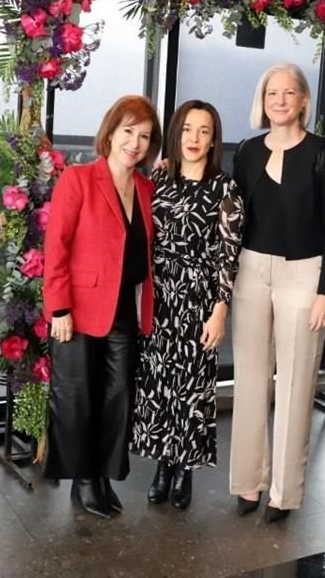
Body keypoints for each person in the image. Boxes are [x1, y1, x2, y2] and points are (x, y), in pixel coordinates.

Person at [229, 62, 325, 523]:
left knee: (296, 384)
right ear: (263, 100)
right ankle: (248, 484)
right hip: (252, 271)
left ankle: (284, 493)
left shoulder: (323, 153)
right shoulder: (246, 152)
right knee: (252, 381)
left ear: (303, 101)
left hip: (305, 274)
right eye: (271, 92)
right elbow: (230, 214)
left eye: (289, 92)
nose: (279, 100)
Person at [42, 95, 162, 519]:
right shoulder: (78, 179)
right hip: (77, 307)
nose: (135, 142)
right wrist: (59, 308)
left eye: (144, 136)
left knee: (118, 395)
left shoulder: (147, 187)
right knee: (78, 397)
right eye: (128, 131)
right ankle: (84, 480)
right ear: (110, 132)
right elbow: (56, 246)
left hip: (124, 307)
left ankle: (105, 474)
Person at [131, 100, 244, 510]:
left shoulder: (224, 187)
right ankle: (163, 464)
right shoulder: (157, 180)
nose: (194, 139)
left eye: (204, 131)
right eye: (188, 129)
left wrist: (220, 309)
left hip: (199, 297)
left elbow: (228, 254)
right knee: (159, 383)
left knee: (193, 387)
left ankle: (185, 471)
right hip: (159, 294)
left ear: (214, 139)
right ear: (176, 133)